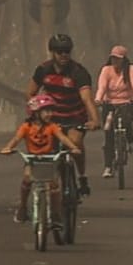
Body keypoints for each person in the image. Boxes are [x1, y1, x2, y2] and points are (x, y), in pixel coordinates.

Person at [27, 33, 101, 197]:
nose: (64, 55)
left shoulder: (78, 72)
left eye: (67, 51)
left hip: (75, 116)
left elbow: (87, 99)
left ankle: (82, 176)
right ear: (52, 52)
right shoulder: (43, 70)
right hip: (52, 117)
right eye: (60, 51)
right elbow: (31, 93)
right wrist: (34, 114)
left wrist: (95, 119)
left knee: (74, 143)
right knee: (46, 151)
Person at [1, 94, 83, 224]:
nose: (49, 114)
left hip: (49, 159)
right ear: (35, 113)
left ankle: (56, 213)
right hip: (32, 160)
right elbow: (16, 139)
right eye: (46, 111)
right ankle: (22, 207)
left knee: (54, 185)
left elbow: (62, 138)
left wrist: (73, 147)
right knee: (27, 179)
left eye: (51, 111)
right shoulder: (26, 127)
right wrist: (8, 148)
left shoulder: (52, 127)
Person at [94, 45, 133, 177]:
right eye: (113, 58)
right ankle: (108, 166)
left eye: (118, 59)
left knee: (126, 120)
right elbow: (102, 86)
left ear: (123, 59)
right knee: (109, 133)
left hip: (127, 103)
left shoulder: (130, 69)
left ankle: (131, 141)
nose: (115, 61)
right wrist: (98, 99)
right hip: (109, 104)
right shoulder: (106, 70)